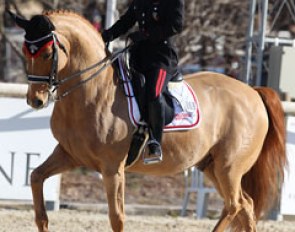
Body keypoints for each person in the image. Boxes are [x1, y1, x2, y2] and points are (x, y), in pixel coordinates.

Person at [102, 0, 184, 163]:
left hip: (162, 58)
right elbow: (125, 22)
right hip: (139, 57)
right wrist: (104, 35)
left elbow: (176, 25)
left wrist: (146, 35)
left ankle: (155, 141)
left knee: (154, 93)